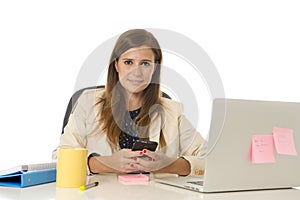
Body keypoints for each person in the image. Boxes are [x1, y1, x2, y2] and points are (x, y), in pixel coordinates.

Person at [52, 29, 207, 176]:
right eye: (128, 62)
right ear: (116, 65)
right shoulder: (87, 103)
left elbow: (210, 158)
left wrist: (168, 165)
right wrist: (105, 164)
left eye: (145, 63)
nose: (136, 72)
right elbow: (60, 158)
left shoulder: (172, 111)